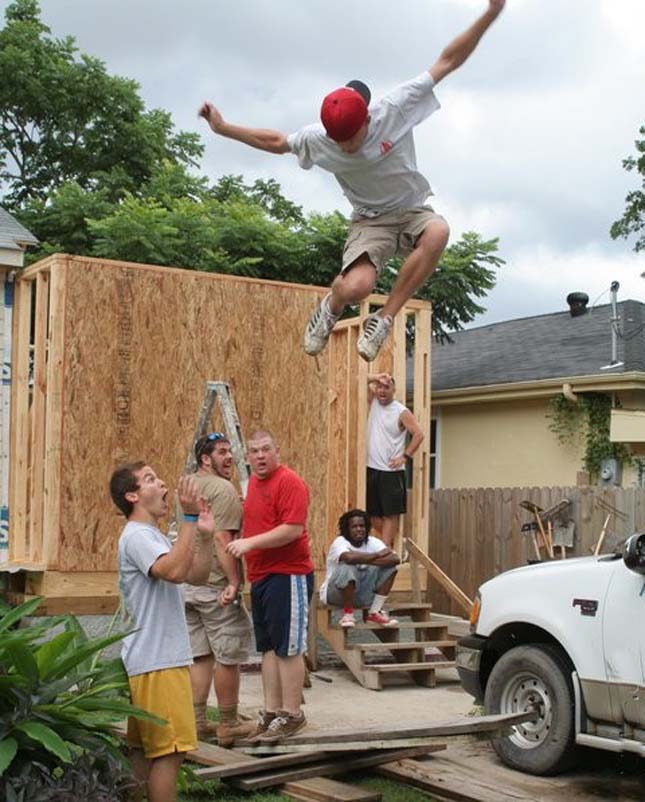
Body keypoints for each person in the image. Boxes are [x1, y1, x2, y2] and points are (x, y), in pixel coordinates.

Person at [198, 1, 505, 362]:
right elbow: (276, 142)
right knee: (357, 287)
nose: (344, 146)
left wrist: (489, 14)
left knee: (438, 232)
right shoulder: (319, 139)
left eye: (351, 138)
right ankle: (331, 307)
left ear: (366, 120)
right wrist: (223, 128)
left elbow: (447, 61)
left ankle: (385, 319)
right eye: (337, 140)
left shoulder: (395, 108)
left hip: (410, 211)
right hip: (370, 220)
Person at [110, 462, 214, 802]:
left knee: (142, 754)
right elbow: (169, 571)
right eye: (150, 479)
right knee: (170, 754)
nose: (163, 483)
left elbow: (194, 574)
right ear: (132, 495)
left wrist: (204, 534)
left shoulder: (151, 534)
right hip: (158, 661)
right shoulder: (138, 535)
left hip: (153, 660)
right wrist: (186, 520)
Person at [226, 430, 314, 743]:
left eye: (266, 449)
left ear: (277, 450)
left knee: (289, 647)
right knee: (267, 648)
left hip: (287, 574)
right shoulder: (253, 487)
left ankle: (293, 714)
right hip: (261, 576)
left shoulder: (289, 481)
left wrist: (248, 543)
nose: (260, 456)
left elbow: (292, 529)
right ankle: (272, 712)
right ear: (247, 457)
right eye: (254, 451)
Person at [177, 433, 254, 747]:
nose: (230, 458)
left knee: (200, 656)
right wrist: (234, 583)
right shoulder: (223, 490)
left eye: (230, 452)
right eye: (222, 452)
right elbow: (223, 540)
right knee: (227, 656)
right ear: (205, 459)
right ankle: (228, 723)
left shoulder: (187, 486)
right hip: (214, 587)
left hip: (186, 584)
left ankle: (197, 723)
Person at [367, 373, 424, 548]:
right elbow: (361, 379)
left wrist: (405, 457)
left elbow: (418, 434)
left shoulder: (401, 411)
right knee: (372, 514)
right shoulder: (374, 402)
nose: (382, 391)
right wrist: (377, 376)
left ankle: (384, 551)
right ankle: (393, 544)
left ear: (394, 390)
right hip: (371, 467)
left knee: (390, 514)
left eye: (387, 387)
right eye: (380, 386)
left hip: (391, 471)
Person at [320, 509, 401, 628]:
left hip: (362, 593)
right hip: (335, 594)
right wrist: (377, 555)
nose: (359, 529)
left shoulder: (373, 542)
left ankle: (374, 612)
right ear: (347, 529)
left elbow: (394, 559)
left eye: (362, 526)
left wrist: (361, 558)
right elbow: (348, 558)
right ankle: (347, 614)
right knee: (348, 567)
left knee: (390, 568)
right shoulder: (340, 542)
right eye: (354, 526)